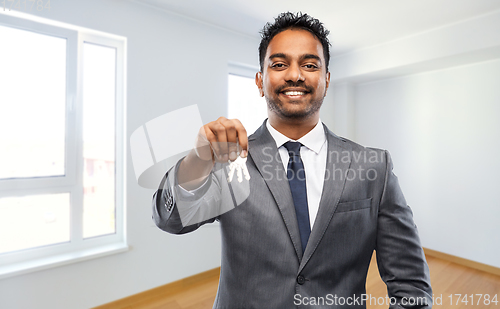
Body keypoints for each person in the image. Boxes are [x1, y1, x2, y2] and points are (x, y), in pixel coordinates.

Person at [153, 12, 432, 308]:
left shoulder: (373, 167)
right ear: (260, 81)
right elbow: (170, 220)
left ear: (326, 80)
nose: (295, 75)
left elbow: (411, 284)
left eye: (309, 65)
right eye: (279, 64)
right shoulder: (229, 160)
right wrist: (198, 158)